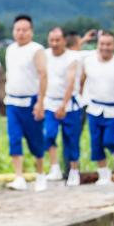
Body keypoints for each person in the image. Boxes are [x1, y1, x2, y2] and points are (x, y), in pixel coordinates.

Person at [80, 31, 114, 184]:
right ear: (98, 44)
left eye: (108, 44)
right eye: (102, 44)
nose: (105, 47)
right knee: (96, 143)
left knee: (110, 141)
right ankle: (103, 174)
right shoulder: (88, 61)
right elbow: (81, 80)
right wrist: (81, 98)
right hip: (94, 108)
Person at [3, 14, 48, 192]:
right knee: (14, 139)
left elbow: (43, 75)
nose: (21, 33)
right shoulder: (10, 49)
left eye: (24, 30)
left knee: (36, 140)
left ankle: (40, 174)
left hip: (31, 101)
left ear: (31, 31)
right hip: (12, 101)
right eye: (18, 30)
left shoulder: (37, 49)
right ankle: (19, 177)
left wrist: (41, 102)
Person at [41, 28, 83, 186]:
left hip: (70, 104)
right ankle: (54, 167)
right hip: (49, 102)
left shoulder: (72, 57)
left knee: (71, 138)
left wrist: (63, 105)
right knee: (48, 135)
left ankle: (74, 171)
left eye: (57, 40)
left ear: (64, 41)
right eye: (51, 40)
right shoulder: (45, 55)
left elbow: (70, 82)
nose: (54, 43)